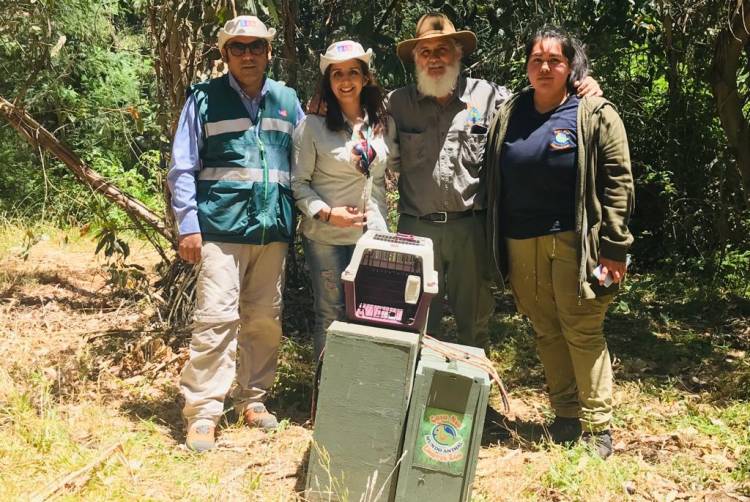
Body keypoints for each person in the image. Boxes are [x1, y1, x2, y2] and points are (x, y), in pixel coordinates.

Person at [388, 13, 602, 349]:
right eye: (425, 52)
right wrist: (324, 103)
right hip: (417, 229)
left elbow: (543, 101)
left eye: (441, 50)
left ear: (458, 53)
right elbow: (357, 117)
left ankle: (472, 399)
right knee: (415, 320)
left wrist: (580, 85)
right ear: (416, 58)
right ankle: (415, 398)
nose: (434, 59)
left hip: (471, 229)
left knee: (474, 323)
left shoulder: (490, 97)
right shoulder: (397, 104)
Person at [485, 26, 635, 459]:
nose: (545, 66)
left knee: (582, 327)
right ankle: (566, 416)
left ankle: (599, 427)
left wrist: (615, 247)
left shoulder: (593, 112)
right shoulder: (510, 111)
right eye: (537, 59)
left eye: (555, 60)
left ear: (571, 67)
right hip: (520, 240)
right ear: (527, 67)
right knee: (546, 329)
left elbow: (618, 183)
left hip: (576, 241)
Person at [167, 15, 306, 452]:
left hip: (273, 230)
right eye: (239, 48)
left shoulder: (287, 100)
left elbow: (308, 156)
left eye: (256, 47)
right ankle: (204, 411)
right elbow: (182, 166)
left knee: (265, 318)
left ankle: (254, 399)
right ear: (225, 54)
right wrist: (188, 224)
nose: (248, 55)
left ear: (268, 52)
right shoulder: (204, 99)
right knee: (216, 318)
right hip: (221, 228)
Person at [292, 41, 397, 360]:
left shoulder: (381, 122)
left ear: (366, 78)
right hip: (327, 239)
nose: (346, 80)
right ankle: (327, 394)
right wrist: (326, 214)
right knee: (331, 314)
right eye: (337, 74)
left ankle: (363, 390)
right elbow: (298, 183)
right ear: (328, 81)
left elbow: (384, 174)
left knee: (374, 313)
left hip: (373, 236)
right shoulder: (312, 126)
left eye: (353, 72)